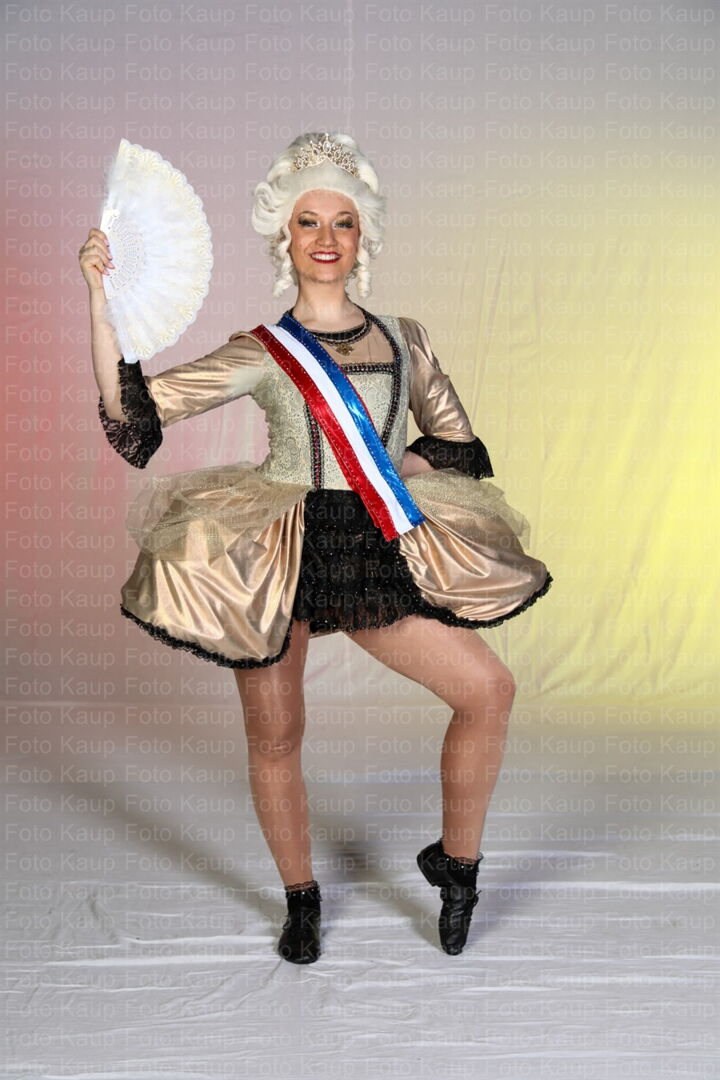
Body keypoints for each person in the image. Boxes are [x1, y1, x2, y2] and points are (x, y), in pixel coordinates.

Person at [79, 132, 552, 965]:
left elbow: (455, 446)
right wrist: (98, 302)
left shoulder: (406, 338)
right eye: (308, 221)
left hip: (375, 545)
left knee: (487, 689)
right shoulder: (261, 351)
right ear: (284, 236)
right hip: (278, 547)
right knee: (276, 734)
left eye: (342, 221)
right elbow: (136, 408)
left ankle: (458, 865)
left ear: (363, 235)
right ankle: (301, 897)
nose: (326, 238)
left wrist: (393, 472)